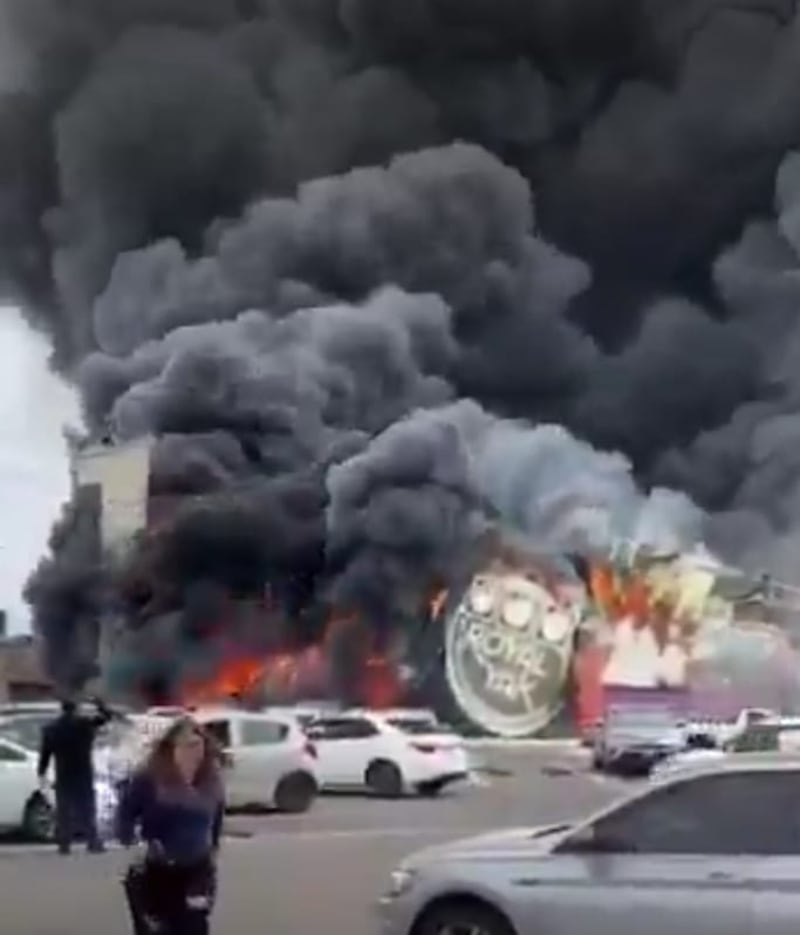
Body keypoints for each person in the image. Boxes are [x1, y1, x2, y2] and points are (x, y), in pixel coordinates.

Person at [117, 717, 224, 935]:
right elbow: (125, 813)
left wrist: (213, 848)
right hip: (158, 868)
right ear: (171, 748)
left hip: (197, 869)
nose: (193, 752)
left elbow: (216, 819)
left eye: (198, 745)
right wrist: (132, 841)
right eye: (187, 746)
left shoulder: (211, 781)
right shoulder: (150, 779)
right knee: (159, 929)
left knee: (195, 926)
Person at [38, 695, 113, 854]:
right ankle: (92, 842)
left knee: (64, 810)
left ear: (62, 708)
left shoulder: (51, 729)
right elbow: (107, 717)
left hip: (64, 773)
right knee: (86, 809)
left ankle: (64, 844)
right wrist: (99, 703)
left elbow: (45, 754)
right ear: (75, 709)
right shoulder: (84, 725)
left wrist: (41, 772)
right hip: (83, 772)